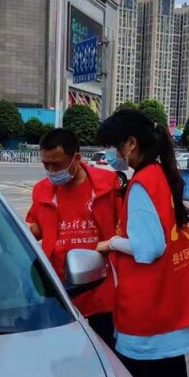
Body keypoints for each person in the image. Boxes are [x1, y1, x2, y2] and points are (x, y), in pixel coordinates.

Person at [95, 109, 189, 377]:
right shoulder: (159, 175)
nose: (112, 154)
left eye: (114, 145)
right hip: (167, 318)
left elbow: (148, 249)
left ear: (131, 143)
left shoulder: (142, 184)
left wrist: (111, 243)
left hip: (147, 323)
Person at [26, 128, 121, 348]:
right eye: (45, 165)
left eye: (56, 165)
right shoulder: (42, 190)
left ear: (76, 158)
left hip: (101, 291)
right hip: (61, 292)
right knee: (65, 355)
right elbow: (36, 228)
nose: (51, 171)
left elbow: (124, 228)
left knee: (105, 355)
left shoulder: (108, 185)